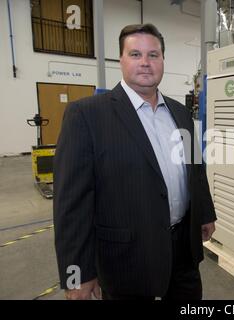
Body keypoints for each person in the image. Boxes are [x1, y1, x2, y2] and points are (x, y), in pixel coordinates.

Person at [53, 23, 216, 300]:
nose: (145, 63)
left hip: (183, 251)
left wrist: (205, 213)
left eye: (153, 55)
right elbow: (71, 206)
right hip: (127, 260)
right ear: (121, 60)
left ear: (163, 60)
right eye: (135, 54)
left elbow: (195, 169)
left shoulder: (180, 113)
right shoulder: (86, 115)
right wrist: (76, 276)